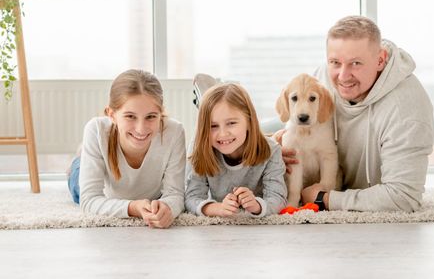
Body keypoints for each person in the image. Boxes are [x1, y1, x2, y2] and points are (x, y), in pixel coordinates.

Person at [283, 15, 434, 212]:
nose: (343, 76)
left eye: (356, 63)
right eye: (335, 62)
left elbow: (403, 198)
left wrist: (326, 199)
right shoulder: (322, 78)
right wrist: (281, 143)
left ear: (380, 60)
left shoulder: (405, 110)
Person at [67, 69, 186, 228]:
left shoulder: (174, 131)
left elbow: (176, 194)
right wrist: (132, 208)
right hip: (106, 187)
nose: (141, 129)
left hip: (146, 195)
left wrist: (168, 208)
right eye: (130, 116)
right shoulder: (96, 129)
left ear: (161, 114)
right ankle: (82, 158)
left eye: (151, 117)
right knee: (77, 189)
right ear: (112, 114)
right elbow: (89, 200)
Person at [185, 83, 287, 217]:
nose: (222, 134)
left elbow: (278, 198)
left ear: (249, 122)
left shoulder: (271, 150)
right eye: (213, 126)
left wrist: (256, 206)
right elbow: (192, 197)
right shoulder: (199, 147)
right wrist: (217, 208)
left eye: (231, 123)